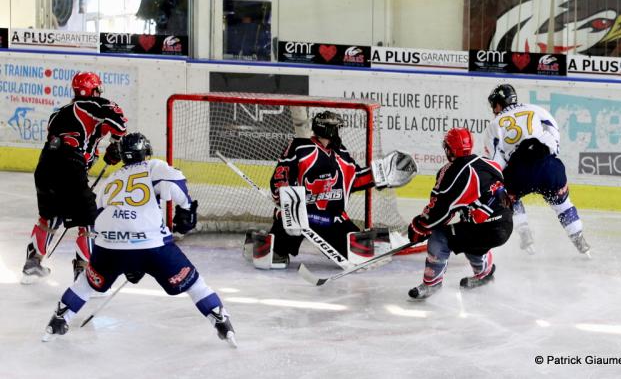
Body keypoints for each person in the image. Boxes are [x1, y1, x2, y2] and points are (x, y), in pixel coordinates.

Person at [42, 132, 236, 347]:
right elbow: (177, 186)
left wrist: (126, 258)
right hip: (151, 246)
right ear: (146, 151)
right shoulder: (153, 166)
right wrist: (187, 211)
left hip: (108, 246)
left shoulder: (112, 179)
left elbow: (99, 216)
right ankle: (221, 322)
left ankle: (58, 321)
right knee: (195, 284)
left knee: (86, 283)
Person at [245, 110, 416, 269]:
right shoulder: (300, 147)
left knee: (359, 250)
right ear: (329, 130)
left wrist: (380, 174)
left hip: (331, 218)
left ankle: (376, 240)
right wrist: (286, 202)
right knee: (272, 256)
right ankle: (261, 241)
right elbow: (281, 174)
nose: (338, 132)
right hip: (299, 216)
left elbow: (354, 178)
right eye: (336, 128)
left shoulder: (340, 153)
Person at [22, 72, 127, 284]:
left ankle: (33, 262)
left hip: (45, 166)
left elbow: (78, 143)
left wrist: (106, 147)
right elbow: (119, 124)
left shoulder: (57, 114)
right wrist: (116, 144)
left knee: (50, 216)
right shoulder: (96, 105)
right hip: (70, 165)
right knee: (88, 221)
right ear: (95, 90)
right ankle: (84, 273)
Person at [483, 84, 590, 256]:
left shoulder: (494, 125)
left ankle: (525, 233)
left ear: (498, 104)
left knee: (512, 199)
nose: (493, 109)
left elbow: (495, 161)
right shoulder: (534, 109)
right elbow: (552, 126)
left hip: (519, 174)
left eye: (493, 105)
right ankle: (579, 239)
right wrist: (553, 148)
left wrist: (502, 185)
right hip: (548, 166)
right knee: (562, 204)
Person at [407, 127, 513, 299]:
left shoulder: (451, 173)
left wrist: (419, 226)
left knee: (440, 237)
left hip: (484, 229)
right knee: (467, 236)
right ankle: (484, 272)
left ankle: (431, 284)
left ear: (449, 149)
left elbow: (440, 211)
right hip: (505, 225)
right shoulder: (488, 163)